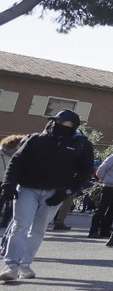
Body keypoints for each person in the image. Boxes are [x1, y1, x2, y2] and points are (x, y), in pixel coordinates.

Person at [0, 110, 93, 281]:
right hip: (27, 188)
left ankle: (25, 264)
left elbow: (85, 171)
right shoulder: (35, 139)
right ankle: (11, 266)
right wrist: (8, 185)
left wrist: (67, 191)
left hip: (55, 192)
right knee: (20, 226)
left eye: (63, 122)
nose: (58, 125)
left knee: (38, 229)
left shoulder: (82, 145)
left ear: (73, 125)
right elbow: (16, 161)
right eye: (56, 121)